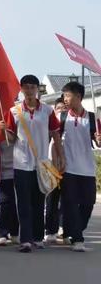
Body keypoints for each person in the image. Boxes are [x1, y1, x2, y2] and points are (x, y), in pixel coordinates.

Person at [1, 74, 65, 253]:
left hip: (41, 163)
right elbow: (11, 139)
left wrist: (60, 157)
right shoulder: (14, 111)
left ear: (37, 89)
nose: (29, 90)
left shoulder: (47, 111)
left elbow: (55, 134)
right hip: (21, 163)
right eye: (26, 87)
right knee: (23, 202)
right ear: (21, 89)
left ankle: (37, 237)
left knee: (38, 202)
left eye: (32, 87)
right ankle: (26, 239)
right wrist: (4, 131)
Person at [58, 81, 101, 252]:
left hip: (87, 169)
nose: (65, 99)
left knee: (88, 203)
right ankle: (78, 239)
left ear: (78, 96)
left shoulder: (91, 118)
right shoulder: (62, 117)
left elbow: (97, 141)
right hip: (68, 168)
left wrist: (98, 139)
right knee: (70, 202)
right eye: (64, 95)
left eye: (68, 95)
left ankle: (72, 230)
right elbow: (54, 140)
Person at [45, 97, 68, 244]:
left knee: (67, 200)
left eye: (64, 109)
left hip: (68, 166)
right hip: (52, 165)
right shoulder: (50, 124)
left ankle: (64, 229)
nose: (61, 111)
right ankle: (50, 230)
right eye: (59, 108)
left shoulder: (70, 123)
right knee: (52, 199)